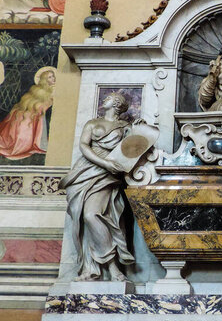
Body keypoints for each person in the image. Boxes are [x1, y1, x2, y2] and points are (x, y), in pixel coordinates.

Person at [59, 92, 140, 281]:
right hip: (86, 171)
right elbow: (83, 146)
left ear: (118, 104)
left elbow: (134, 149)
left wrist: (138, 130)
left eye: (110, 98)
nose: (105, 99)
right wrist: (103, 163)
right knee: (84, 217)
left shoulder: (125, 127)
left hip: (107, 176)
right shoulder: (92, 123)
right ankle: (91, 267)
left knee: (92, 214)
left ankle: (113, 267)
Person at [0, 67, 56, 160]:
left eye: (53, 76)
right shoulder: (37, 89)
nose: (53, 79)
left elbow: (47, 103)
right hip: (30, 111)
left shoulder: (55, 89)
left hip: (36, 112)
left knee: (27, 119)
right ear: (44, 80)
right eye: (50, 77)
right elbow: (32, 101)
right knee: (21, 116)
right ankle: (15, 141)